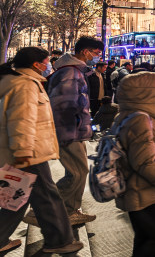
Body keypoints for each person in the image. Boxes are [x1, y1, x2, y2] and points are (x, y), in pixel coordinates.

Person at [0, 47, 84, 254]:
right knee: (48, 196)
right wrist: (23, 151)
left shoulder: (17, 81)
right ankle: (60, 241)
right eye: (46, 61)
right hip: (27, 152)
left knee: (18, 198)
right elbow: (22, 119)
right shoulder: (25, 85)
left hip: (21, 150)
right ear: (36, 64)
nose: (48, 64)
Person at [113, 71, 155, 256]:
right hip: (145, 191)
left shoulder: (129, 115)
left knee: (146, 237)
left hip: (139, 190)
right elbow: (145, 162)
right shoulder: (140, 119)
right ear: (148, 94)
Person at [47, 36, 103, 225]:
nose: (97, 57)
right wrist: (74, 129)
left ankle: (68, 210)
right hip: (69, 131)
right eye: (96, 53)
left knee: (78, 172)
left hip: (72, 130)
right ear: (85, 51)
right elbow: (65, 105)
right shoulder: (70, 73)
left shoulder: (72, 71)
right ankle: (50, 210)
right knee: (78, 172)